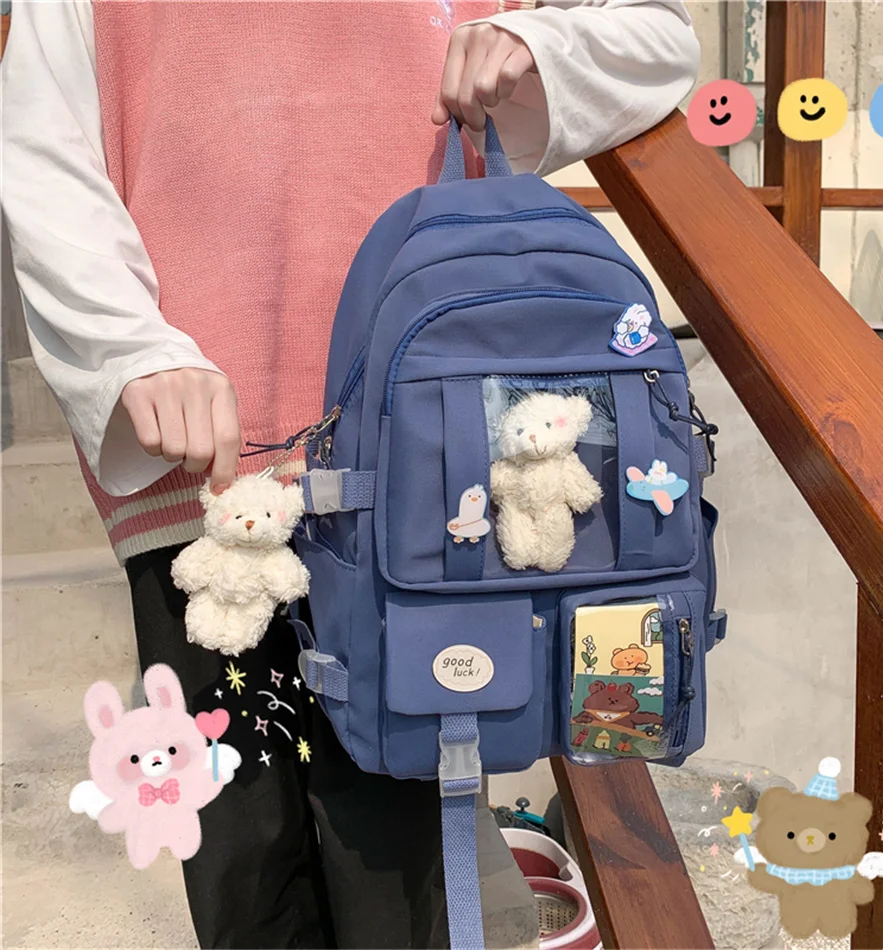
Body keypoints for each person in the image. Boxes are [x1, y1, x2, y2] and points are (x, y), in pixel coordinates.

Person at [2, 2, 699, 947]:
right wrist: (128, 350)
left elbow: (662, 38)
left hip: (414, 480)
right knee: (246, 868)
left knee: (397, 868)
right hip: (208, 483)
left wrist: (540, 44)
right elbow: (45, 157)